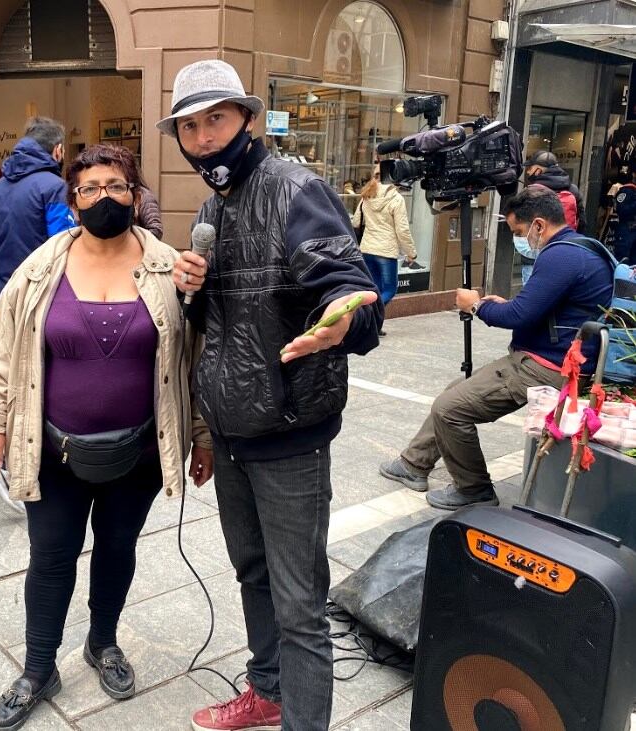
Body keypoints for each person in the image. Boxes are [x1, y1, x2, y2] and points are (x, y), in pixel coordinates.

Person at [165, 60, 382, 731]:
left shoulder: (295, 188)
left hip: (288, 431)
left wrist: (341, 318)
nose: (202, 138)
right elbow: (218, 328)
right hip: (231, 432)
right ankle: (267, 690)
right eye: (189, 126)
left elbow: (348, 289)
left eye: (216, 120)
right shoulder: (210, 207)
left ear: (247, 120)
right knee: (251, 572)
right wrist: (189, 291)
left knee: (298, 602)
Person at [0, 143, 213, 731]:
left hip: (139, 453)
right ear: (72, 198)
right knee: (50, 560)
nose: (103, 196)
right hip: (52, 450)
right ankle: (37, 668)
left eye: (115, 185)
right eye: (89, 188)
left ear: (135, 193)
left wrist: (201, 434)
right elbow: (0, 346)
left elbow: (195, 358)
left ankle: (102, 644)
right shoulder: (41, 268)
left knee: (116, 551)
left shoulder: (169, 268)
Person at [380, 186, 613, 510]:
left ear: (539, 225)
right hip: (554, 360)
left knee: (451, 408)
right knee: (456, 389)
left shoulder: (561, 256)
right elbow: (543, 308)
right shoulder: (582, 249)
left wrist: (476, 305)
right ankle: (414, 463)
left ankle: (473, 488)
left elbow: (518, 316)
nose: (521, 240)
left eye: (520, 231)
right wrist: (507, 303)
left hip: (546, 367)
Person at [0, 117, 74, 307]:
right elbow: (64, 250)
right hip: (44, 301)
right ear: (58, 150)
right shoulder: (55, 188)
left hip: (6, 297)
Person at [352, 170, 416, 324]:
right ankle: (367, 317)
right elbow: (402, 229)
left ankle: (374, 326)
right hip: (385, 252)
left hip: (367, 249)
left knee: (375, 289)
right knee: (389, 289)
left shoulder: (367, 194)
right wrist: (411, 252)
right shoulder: (396, 198)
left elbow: (355, 221)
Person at [524, 150, 586, 233]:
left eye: (530, 168)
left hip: (538, 242)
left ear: (538, 170)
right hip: (566, 240)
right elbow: (582, 222)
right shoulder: (573, 190)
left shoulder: (532, 192)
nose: (528, 172)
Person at [612, 169, 636, 263]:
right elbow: (621, 210)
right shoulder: (626, 190)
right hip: (626, 230)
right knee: (623, 262)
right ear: (634, 174)